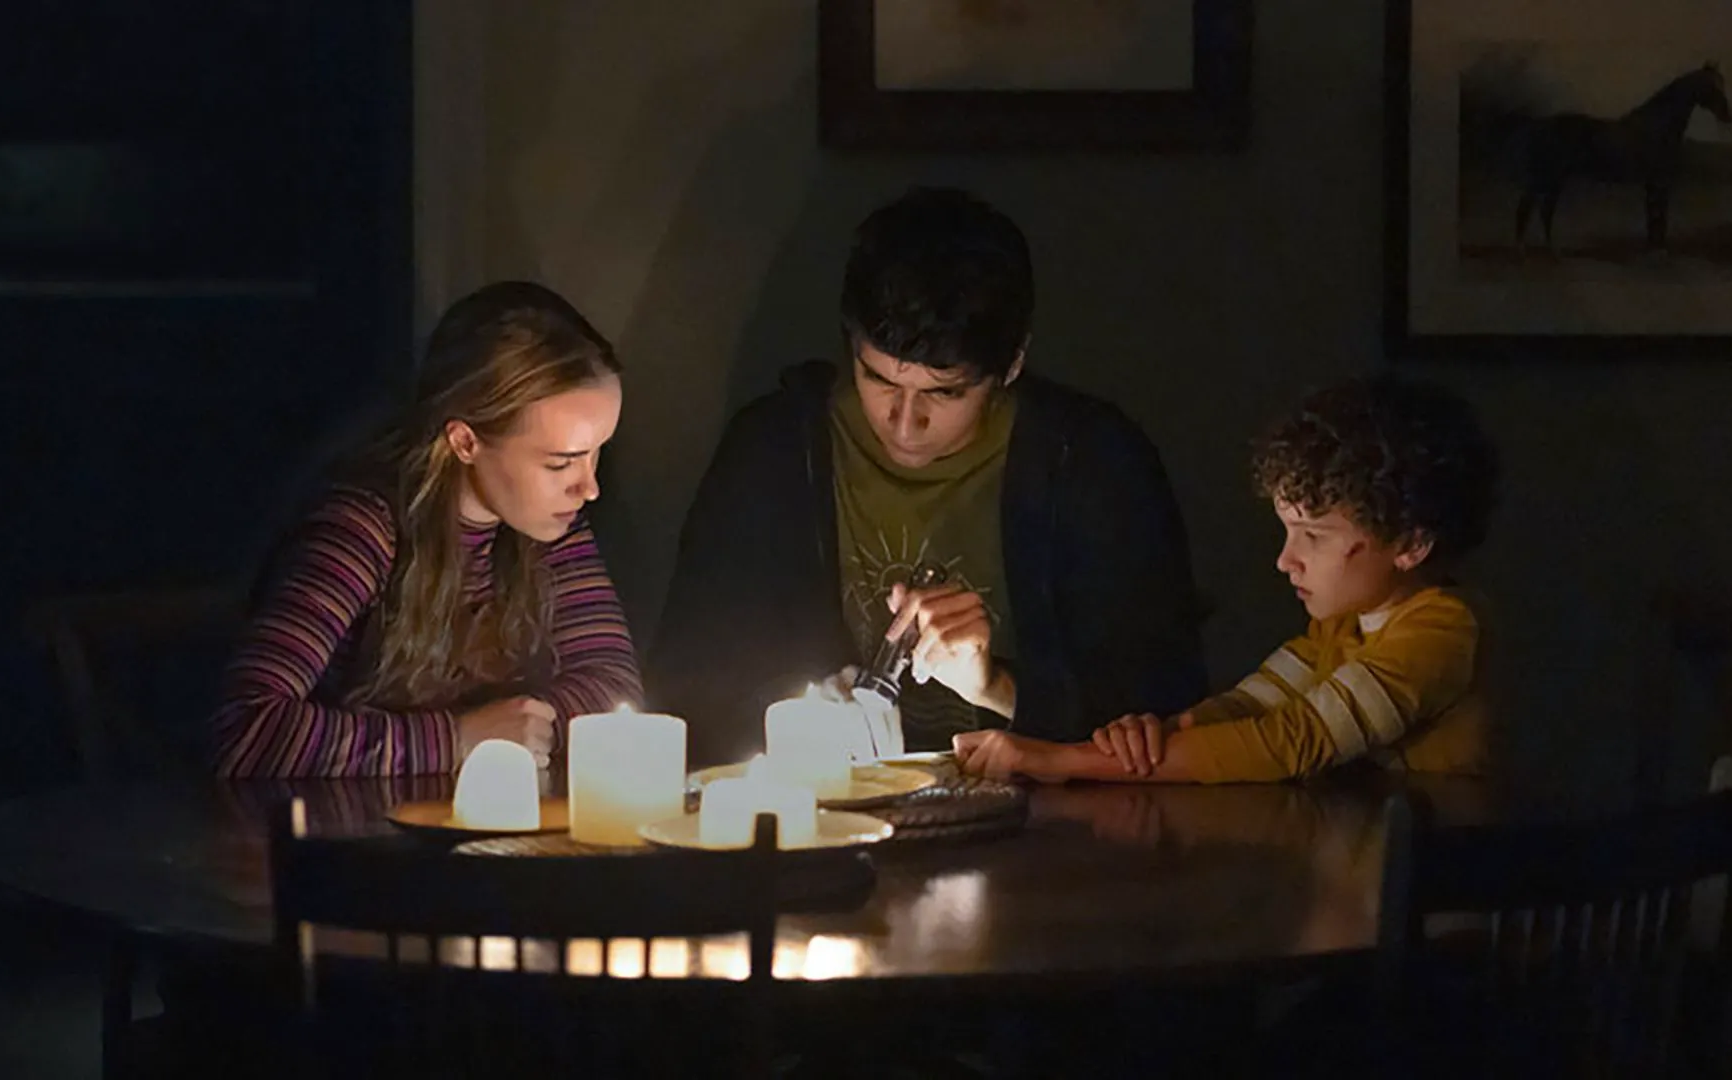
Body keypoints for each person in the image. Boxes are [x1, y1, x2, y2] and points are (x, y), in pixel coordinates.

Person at [648, 187, 1206, 767]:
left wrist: (995, 685)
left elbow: (1164, 710)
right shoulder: (776, 452)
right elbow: (688, 685)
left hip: (1047, 831)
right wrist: (793, 714)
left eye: (945, 393)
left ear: (1011, 364)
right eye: (881, 380)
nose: (906, 423)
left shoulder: (1090, 461)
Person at [956, 375, 1499, 783]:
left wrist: (1064, 760)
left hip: (1425, 911)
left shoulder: (1442, 630)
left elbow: (1291, 741)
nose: (1286, 560)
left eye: (1313, 536)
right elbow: (1247, 707)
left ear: (1410, 544)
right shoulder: (1340, 629)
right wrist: (1149, 738)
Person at [211, 281, 642, 778]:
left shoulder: (549, 526)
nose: (589, 488)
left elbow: (613, 686)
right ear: (464, 441)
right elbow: (246, 729)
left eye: (596, 454)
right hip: (348, 842)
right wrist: (458, 738)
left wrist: (517, 727)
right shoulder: (364, 531)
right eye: (560, 463)